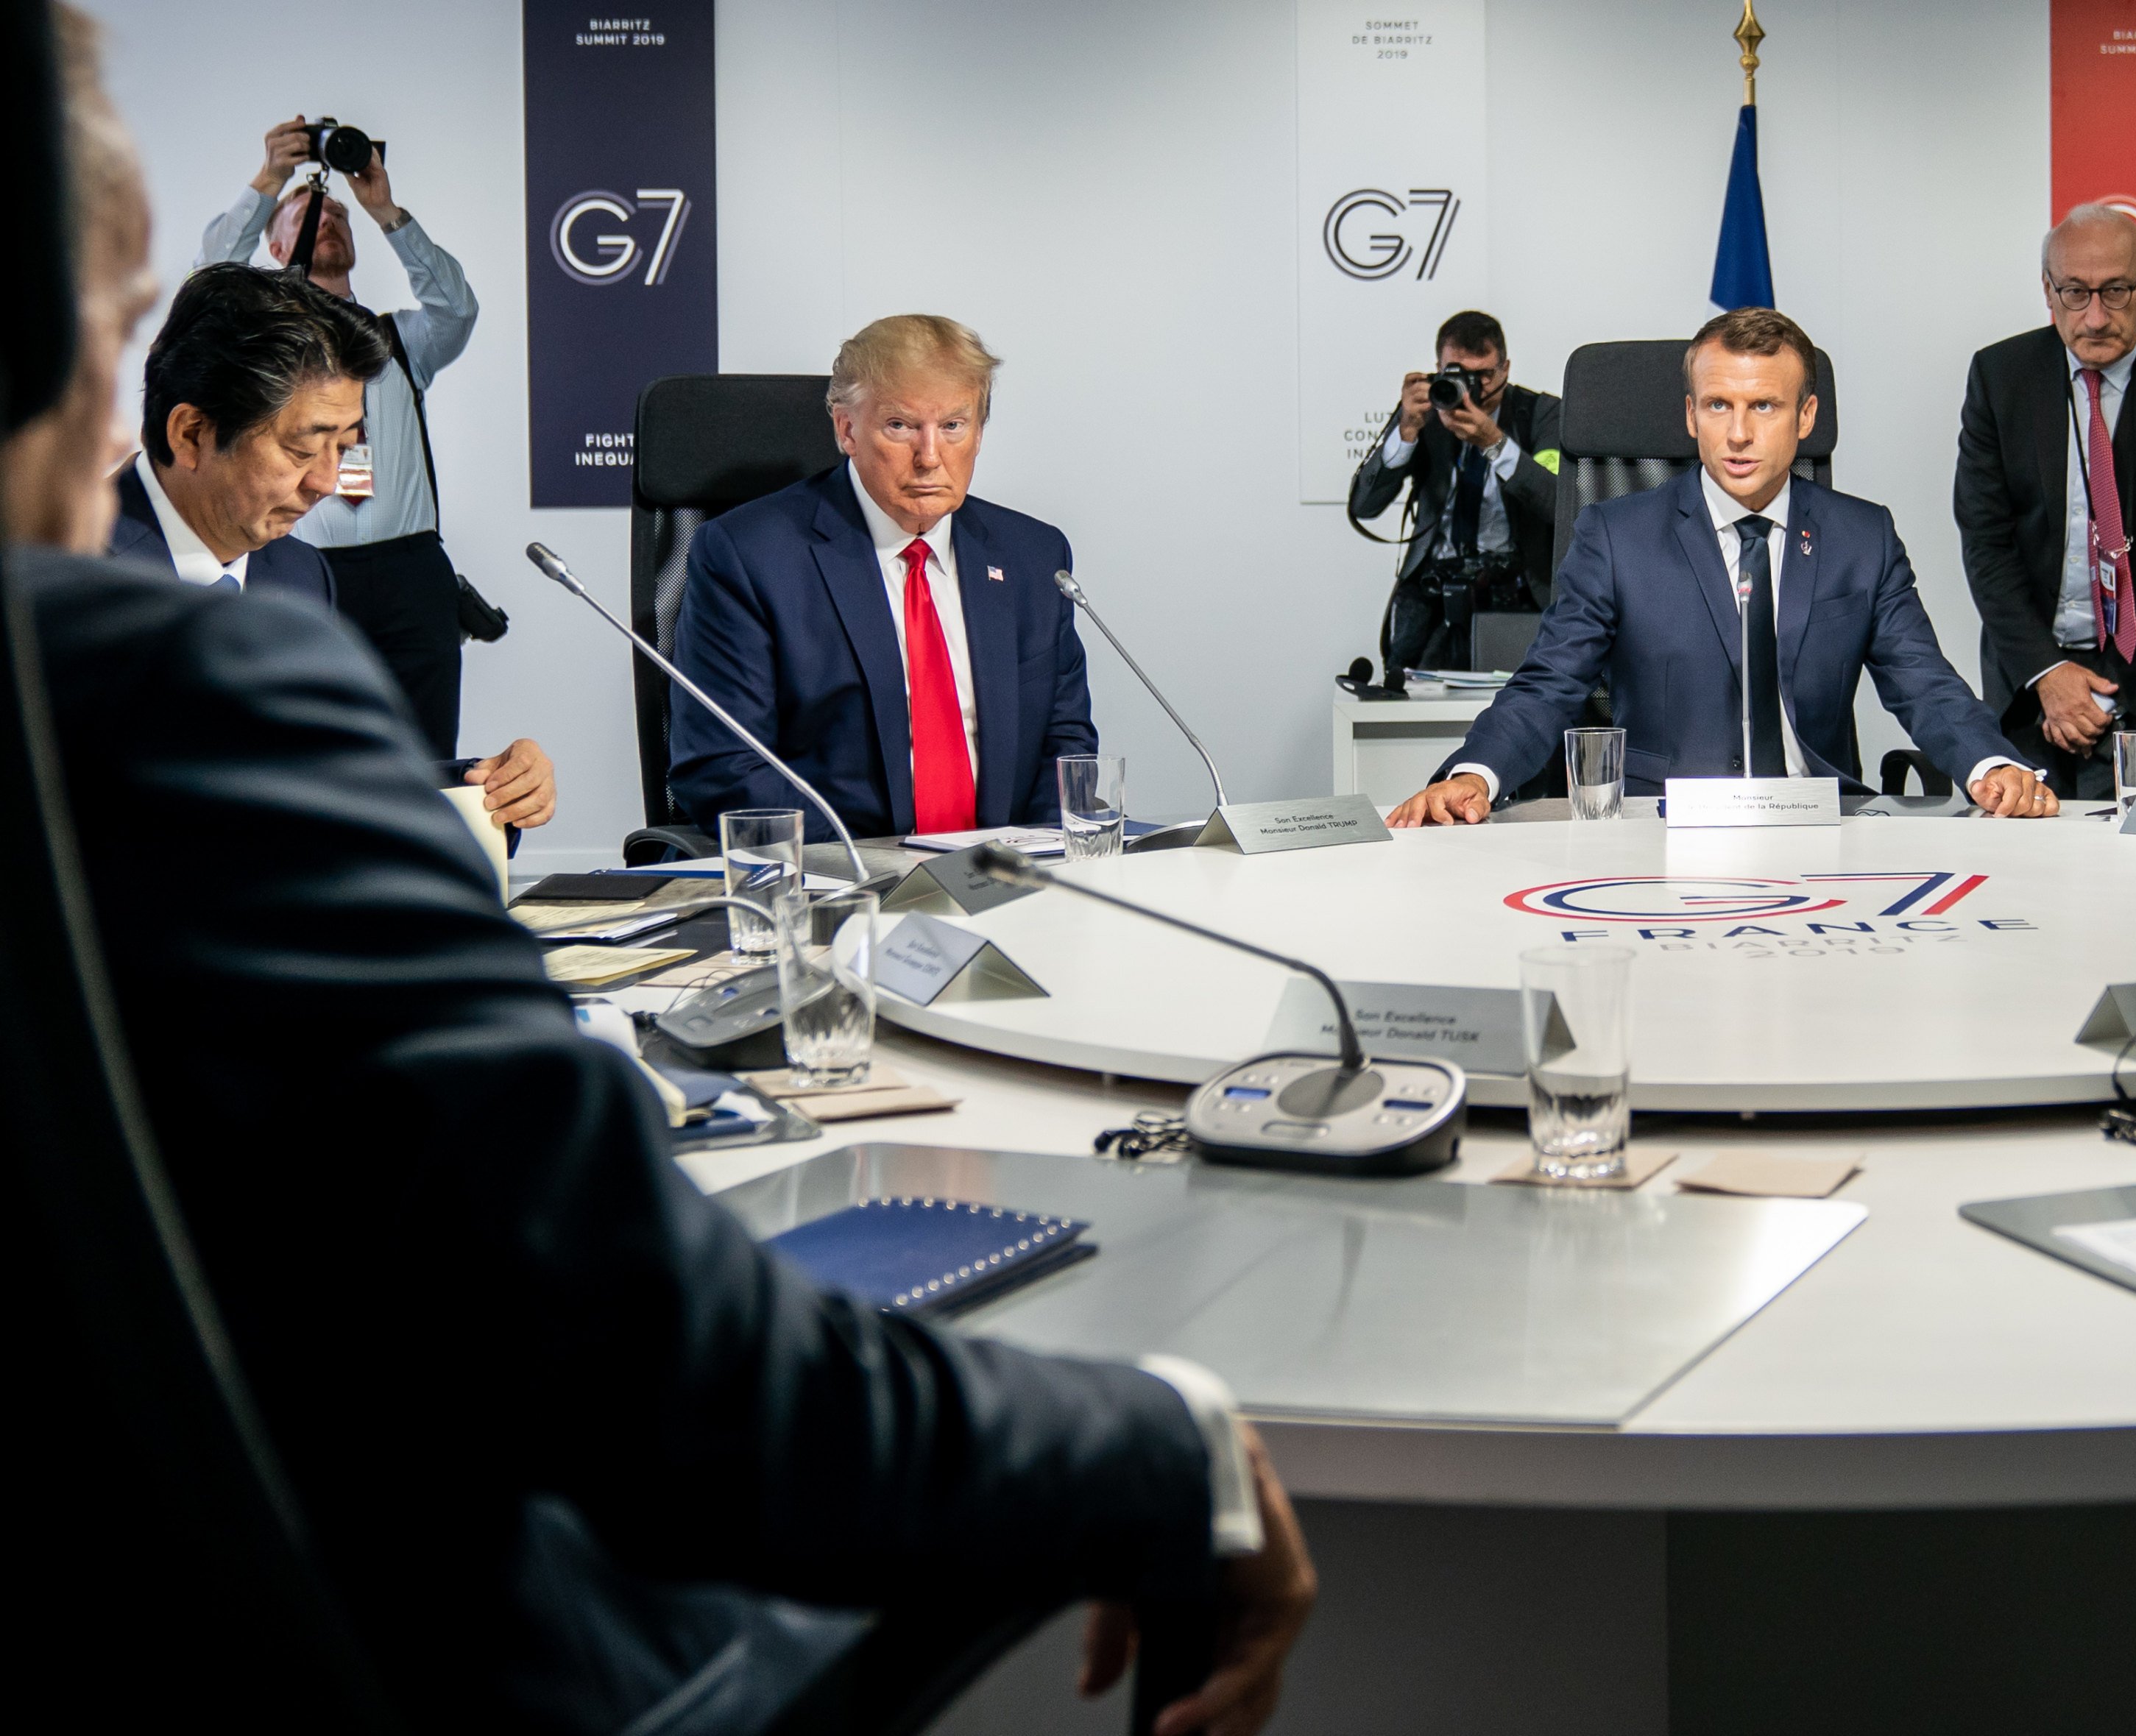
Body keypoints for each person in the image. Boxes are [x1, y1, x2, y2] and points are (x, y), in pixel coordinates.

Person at [8, 14, 1315, 1730]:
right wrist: (1171, 1445)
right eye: (108, 335)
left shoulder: (1022, 564)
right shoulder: (165, 698)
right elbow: (668, 1378)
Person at [1390, 308, 2055, 825]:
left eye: (1763, 406)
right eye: (1718, 406)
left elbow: (1925, 684)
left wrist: (1992, 764)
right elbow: (1547, 684)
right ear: (1691, 415)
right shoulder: (1616, 536)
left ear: (1805, 417)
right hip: (1663, 828)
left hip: (1823, 830)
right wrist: (1473, 775)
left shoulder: (1863, 536)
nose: (1738, 434)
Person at [110, 261, 555, 833]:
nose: (325, 482)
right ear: (192, 434)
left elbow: (326, 783)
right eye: (303, 450)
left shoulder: (299, 572)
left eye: (344, 447)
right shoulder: (53, 574)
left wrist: (489, 789)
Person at [672, 314, 1094, 841]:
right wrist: (875, 867)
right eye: (900, 426)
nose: (929, 457)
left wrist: (1037, 861)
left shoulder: (1033, 555)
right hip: (845, 882)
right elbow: (723, 765)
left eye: (953, 426)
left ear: (979, 432)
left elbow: (1065, 742)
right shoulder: (750, 556)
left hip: (1005, 877)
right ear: (846, 429)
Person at [200, 113, 486, 758]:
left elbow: (457, 309)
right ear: (276, 249)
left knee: (427, 752)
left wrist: (383, 210)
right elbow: (208, 284)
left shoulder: (400, 340)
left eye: (337, 217)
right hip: (301, 566)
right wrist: (272, 180)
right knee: (306, 750)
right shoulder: (260, 346)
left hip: (412, 569)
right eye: (306, 216)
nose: (327, 220)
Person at [1955, 204, 2136, 797]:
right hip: (2030, 690)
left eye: (2115, 291)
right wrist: (2050, 675)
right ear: (2047, 290)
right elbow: (1986, 544)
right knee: (2029, 870)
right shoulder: (1999, 377)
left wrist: (2101, 695)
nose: (2094, 317)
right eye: (2074, 292)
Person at [1348, 309, 1565, 671]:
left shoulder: (1541, 413)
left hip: (1518, 595)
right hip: (1433, 597)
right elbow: (1365, 506)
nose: (1474, 387)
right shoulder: (1427, 409)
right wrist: (1405, 432)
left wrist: (1494, 443)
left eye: (1485, 374)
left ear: (1506, 369)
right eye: (1460, 373)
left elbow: (1556, 502)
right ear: (1438, 368)